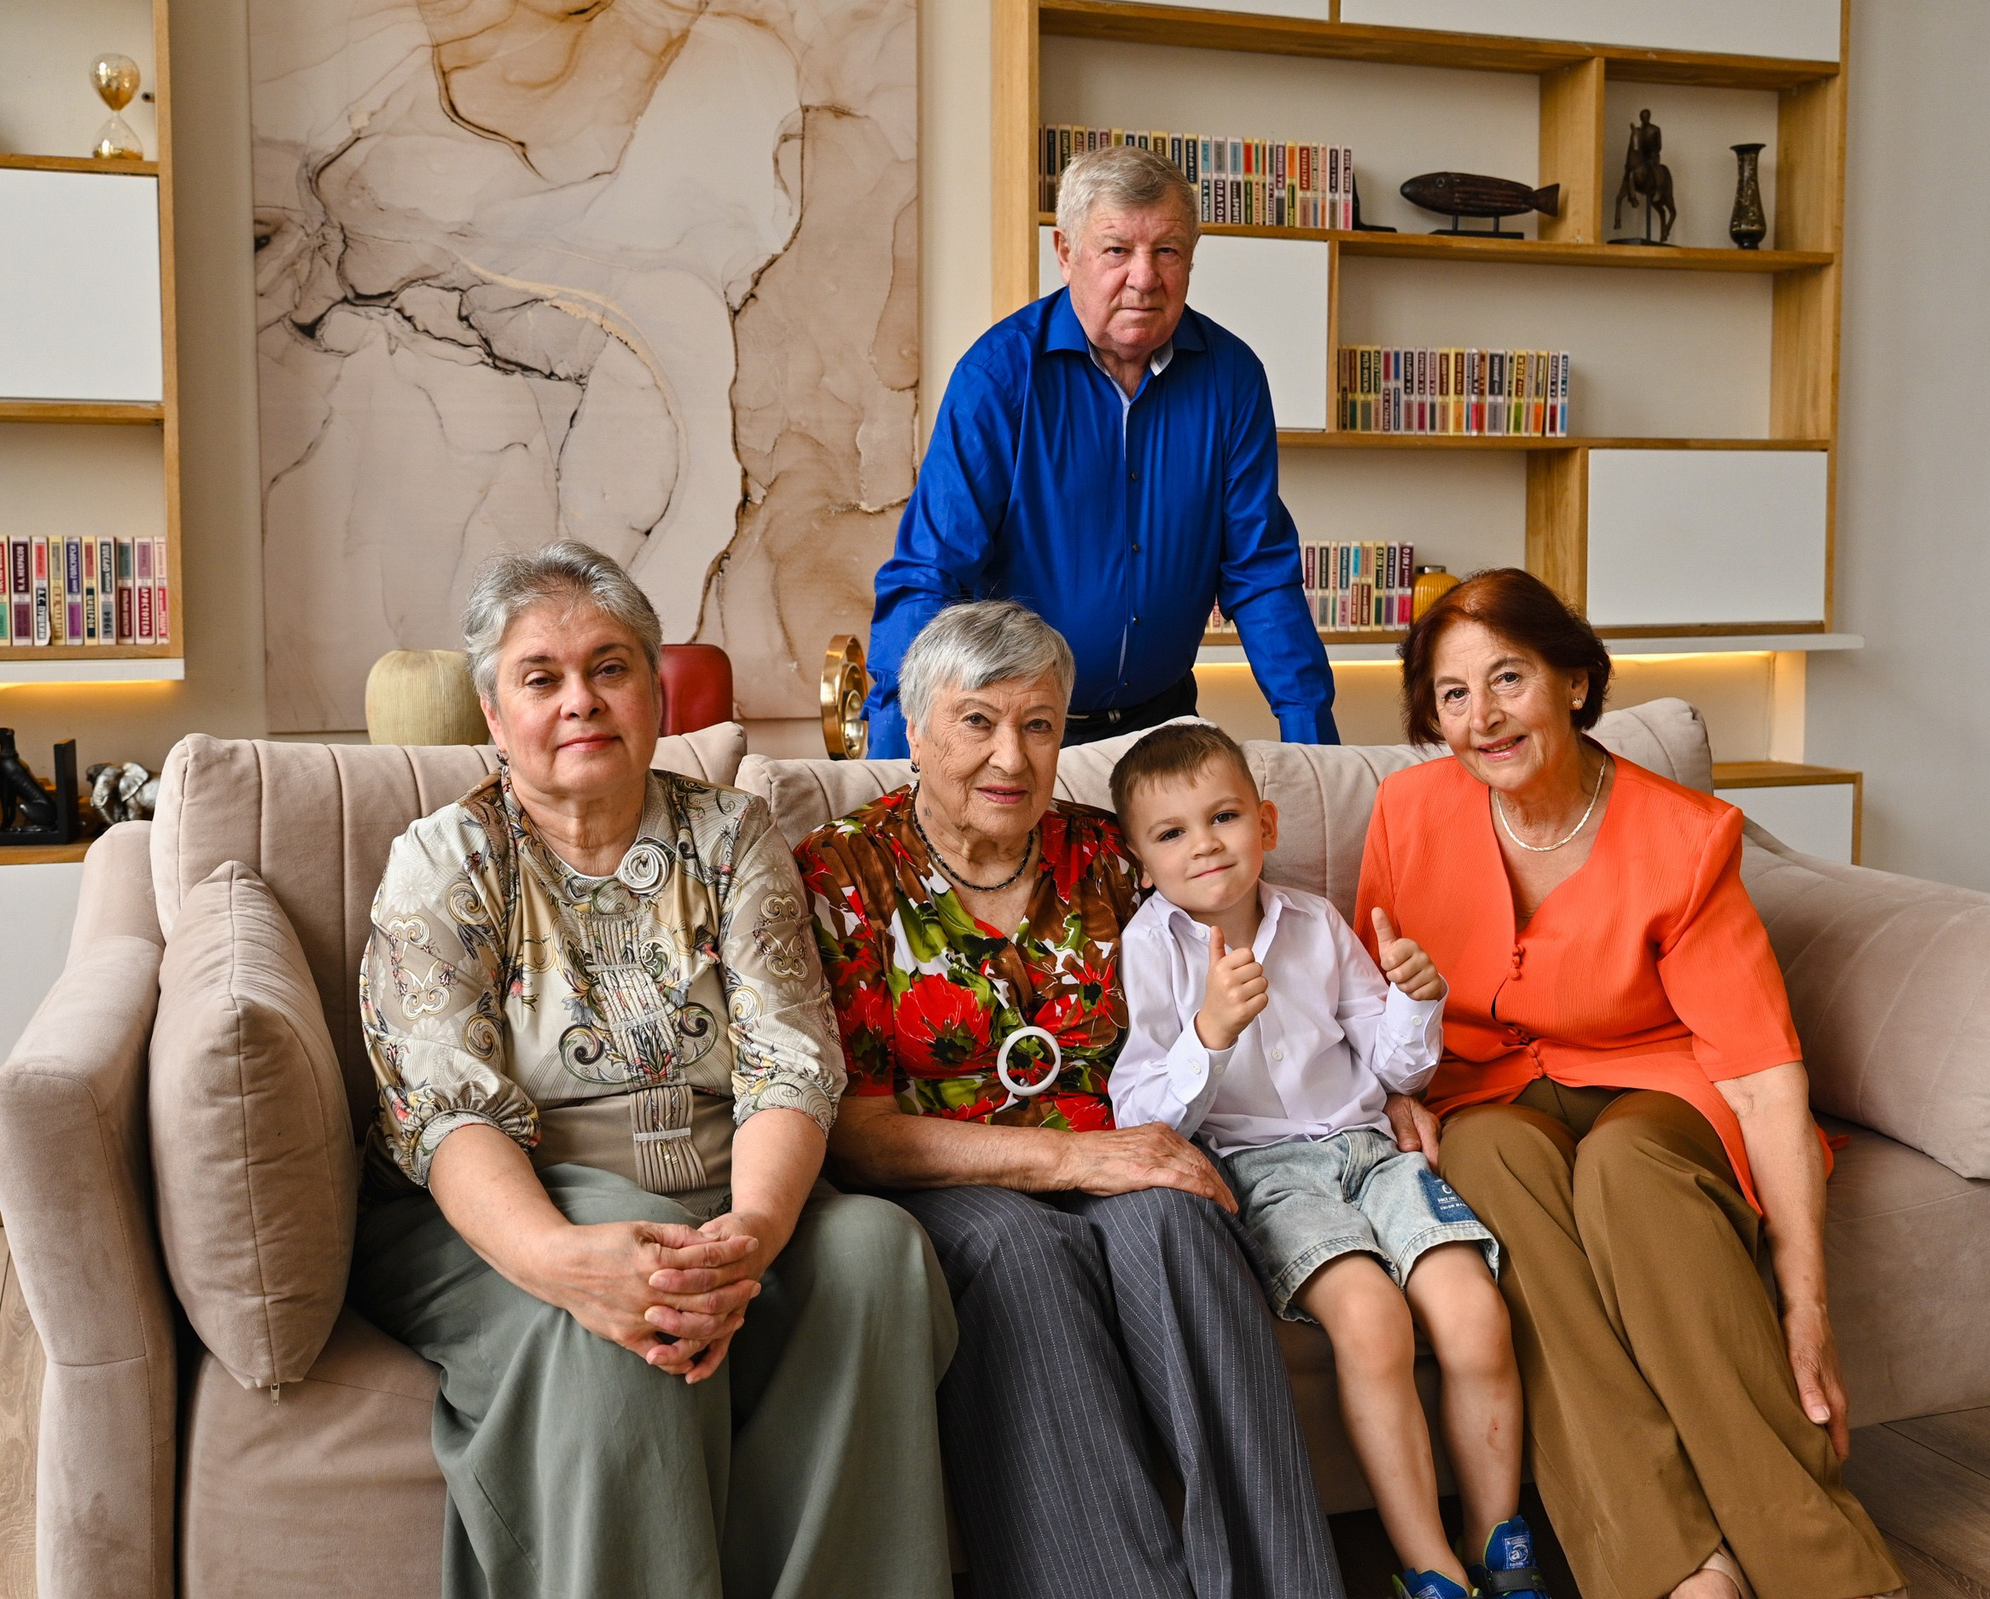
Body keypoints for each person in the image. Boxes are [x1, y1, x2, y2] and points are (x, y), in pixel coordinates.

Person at [350, 541, 957, 1599]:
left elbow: (789, 1062)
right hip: (509, 1203)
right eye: (541, 677)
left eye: (611, 665)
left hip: (727, 1193)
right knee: (622, 1324)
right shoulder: (447, 856)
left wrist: (748, 1239)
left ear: (652, 689)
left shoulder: (730, 834)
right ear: (494, 714)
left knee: (874, 1254)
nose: (580, 699)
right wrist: (563, 1259)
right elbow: (445, 1110)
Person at [1357, 568, 1904, 1599]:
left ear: (1571, 677)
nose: (1483, 716)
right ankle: (1677, 1569)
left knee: (1626, 1174)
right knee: (1486, 1161)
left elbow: (1761, 1078)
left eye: (1507, 677)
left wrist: (1807, 1301)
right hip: (1487, 1092)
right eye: (1452, 693)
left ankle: (1830, 1572)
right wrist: (1389, 1089)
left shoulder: (1683, 837)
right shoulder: (1407, 809)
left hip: (1659, 1087)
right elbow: (1368, 1000)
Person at [796, 600, 1343, 1599]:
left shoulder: (1111, 855)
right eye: (977, 720)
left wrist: (1371, 1094)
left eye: (1039, 723)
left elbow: (1261, 970)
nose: (1011, 754)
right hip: (951, 1174)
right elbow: (856, 1132)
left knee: (1180, 1219)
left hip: (1130, 1152)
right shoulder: (844, 871)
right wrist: (1074, 1159)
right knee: (1026, 1251)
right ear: (914, 729)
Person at [1105, 723, 1536, 1599]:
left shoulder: (1315, 922)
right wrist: (1209, 1033)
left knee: (1473, 1310)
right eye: (1172, 832)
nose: (1206, 845)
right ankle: (1431, 1566)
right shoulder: (1151, 947)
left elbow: (1397, 1069)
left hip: (1372, 1149)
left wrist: (1418, 1000)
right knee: (1373, 1322)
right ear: (1140, 859)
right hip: (1265, 1172)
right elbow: (1142, 1112)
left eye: (1224, 816)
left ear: (1265, 822)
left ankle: (1499, 1538)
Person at [864, 142, 1337, 754]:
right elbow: (929, 574)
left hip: (1166, 729)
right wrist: (894, 773)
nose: (1144, 277)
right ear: (1066, 253)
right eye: (1116, 250)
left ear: (1191, 258)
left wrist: (1317, 750)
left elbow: (1260, 571)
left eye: (1166, 250)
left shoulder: (1233, 377)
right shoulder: (998, 377)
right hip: (1018, 741)